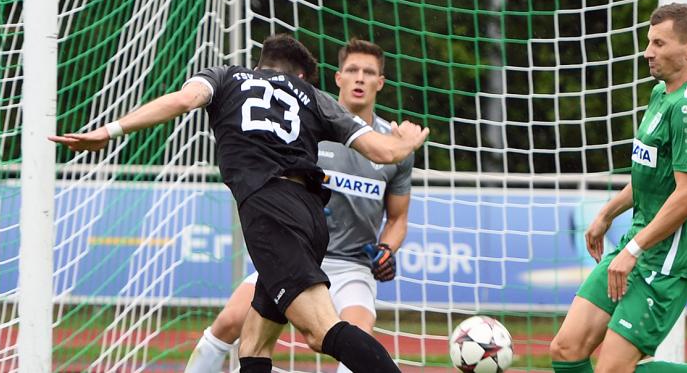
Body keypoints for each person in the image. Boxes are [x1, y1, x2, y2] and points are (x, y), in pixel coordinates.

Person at [50, 34, 427, 373]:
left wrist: (109, 131)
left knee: (321, 332)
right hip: (311, 217)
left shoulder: (225, 76)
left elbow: (182, 101)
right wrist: (407, 142)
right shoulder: (312, 96)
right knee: (254, 344)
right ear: (302, 75)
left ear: (261, 63)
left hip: (272, 212)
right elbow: (385, 151)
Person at [184, 39, 413, 373]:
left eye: (368, 72)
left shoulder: (391, 145)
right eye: (352, 70)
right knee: (232, 322)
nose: (360, 78)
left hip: (351, 266)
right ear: (338, 78)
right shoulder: (304, 121)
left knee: (351, 335)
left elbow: (398, 218)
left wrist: (387, 249)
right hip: (295, 248)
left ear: (380, 82)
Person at [548, 4, 687, 373]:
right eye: (649, 42)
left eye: (659, 43)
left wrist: (633, 250)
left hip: (667, 258)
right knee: (566, 349)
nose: (647, 52)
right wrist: (607, 214)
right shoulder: (662, 94)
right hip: (638, 242)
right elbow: (649, 175)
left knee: (613, 370)